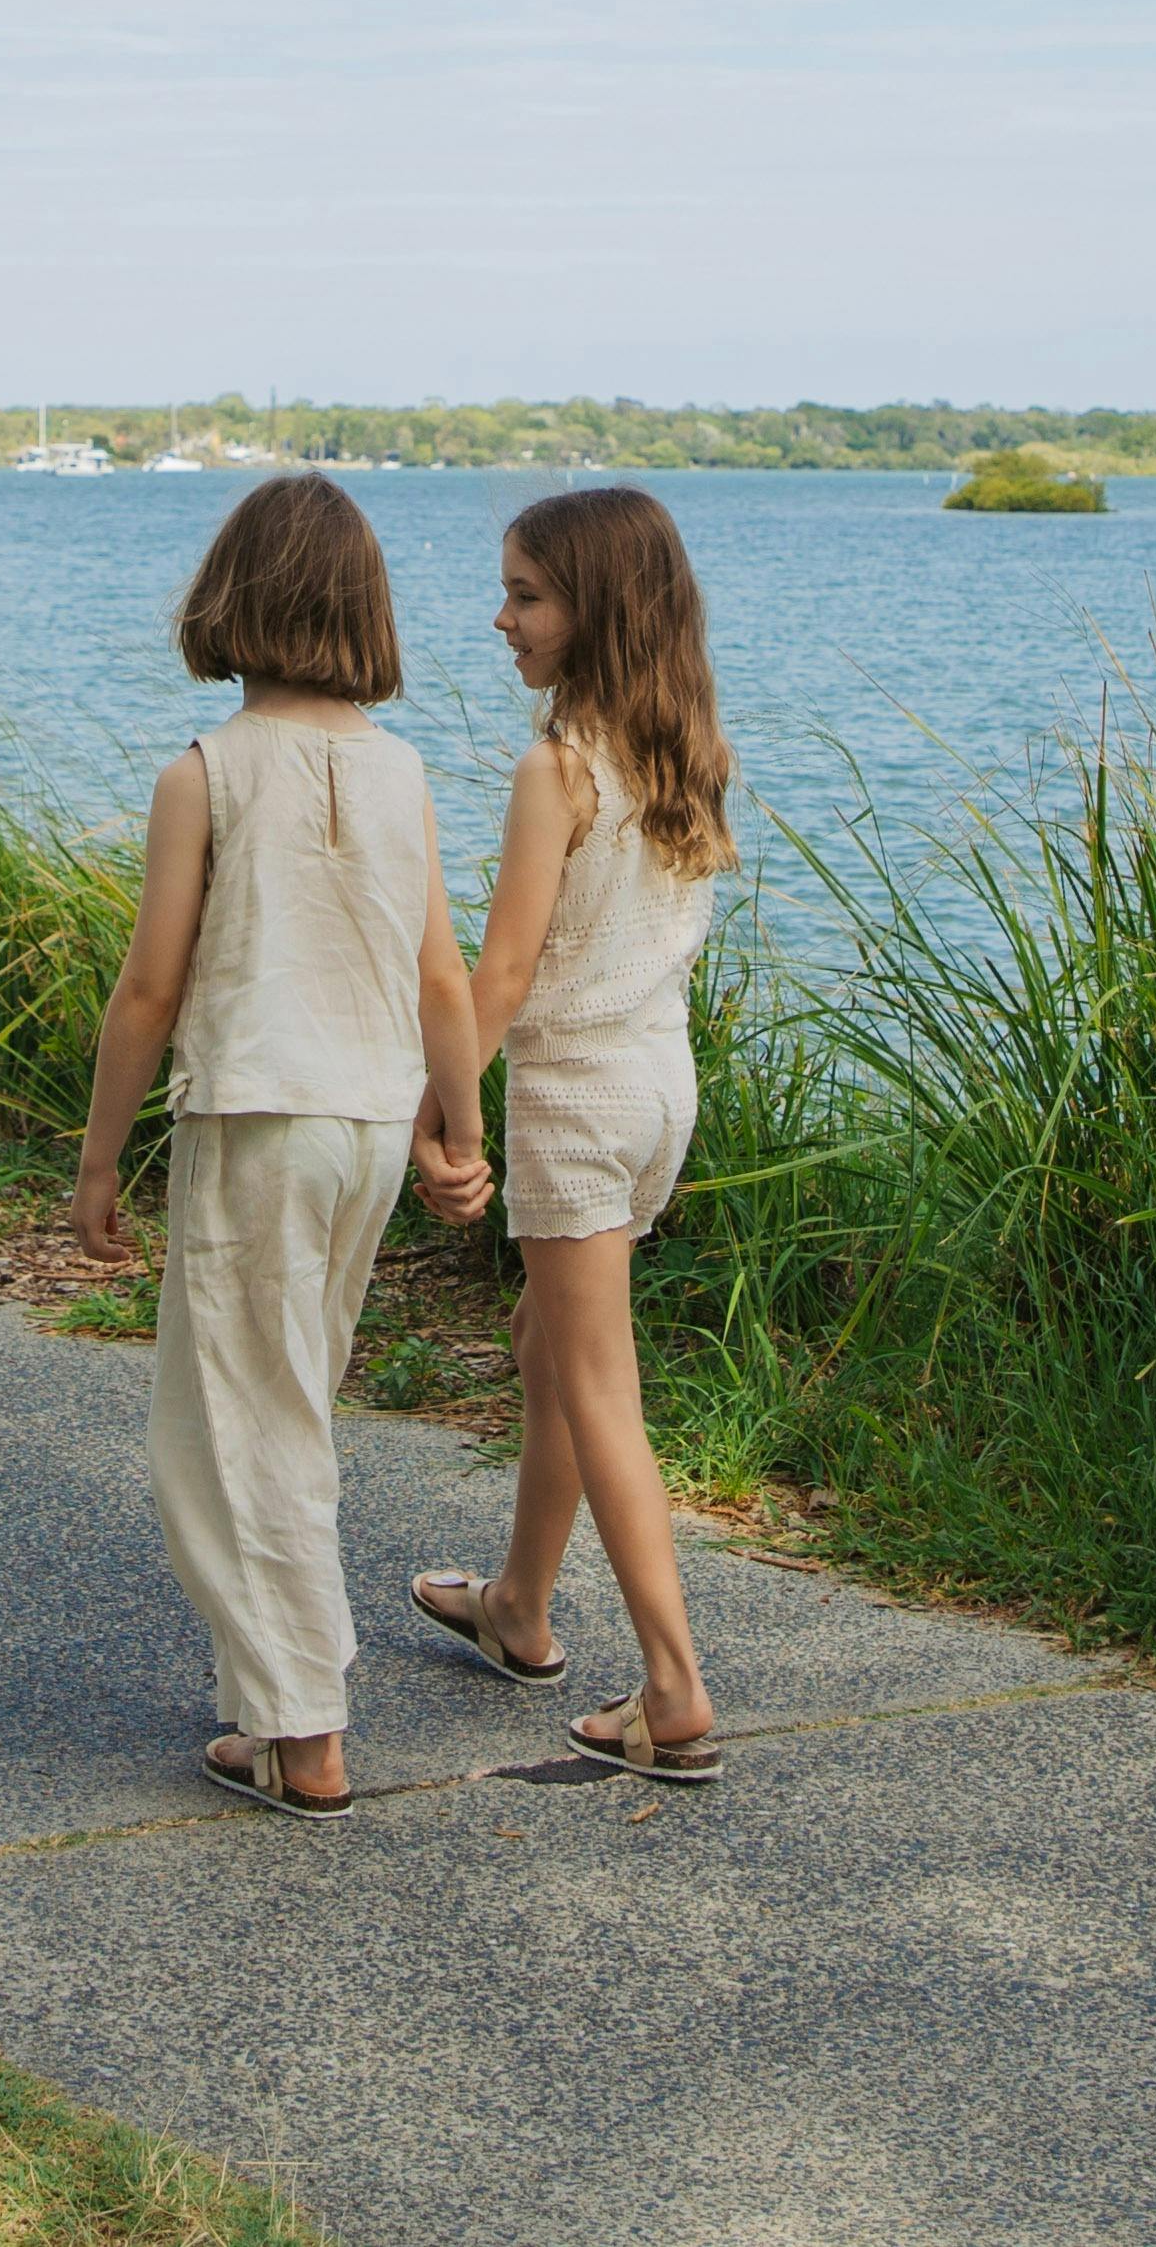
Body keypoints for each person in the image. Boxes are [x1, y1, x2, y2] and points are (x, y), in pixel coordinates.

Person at [71, 472, 490, 1819]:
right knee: (288, 1403)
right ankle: (273, 1706)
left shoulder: (203, 773)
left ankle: (303, 1725)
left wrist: (95, 1160)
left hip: (257, 1116)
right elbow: (442, 974)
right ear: (362, 606)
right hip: (369, 1121)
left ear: (229, 599)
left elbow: (147, 988)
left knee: (231, 1431)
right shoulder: (400, 769)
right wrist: (460, 1131)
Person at [403, 485, 735, 1782]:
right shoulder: (680, 752)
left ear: (593, 609)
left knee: (598, 1387)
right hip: (661, 1090)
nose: (500, 618)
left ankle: (673, 1683)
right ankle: (518, 1606)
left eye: (525, 595)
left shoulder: (558, 770)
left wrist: (439, 1114)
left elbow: (503, 972)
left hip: (580, 1098)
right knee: (550, 1338)